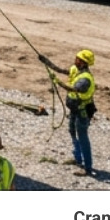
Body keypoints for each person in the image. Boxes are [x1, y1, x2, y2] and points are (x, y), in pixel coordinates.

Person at [40, 48, 96, 177]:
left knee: (83, 138)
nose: (75, 59)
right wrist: (46, 61)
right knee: (72, 131)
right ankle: (78, 159)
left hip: (83, 112)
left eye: (78, 58)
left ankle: (87, 168)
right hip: (75, 109)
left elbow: (73, 89)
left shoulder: (85, 79)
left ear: (83, 62)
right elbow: (61, 70)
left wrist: (57, 82)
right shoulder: (76, 70)